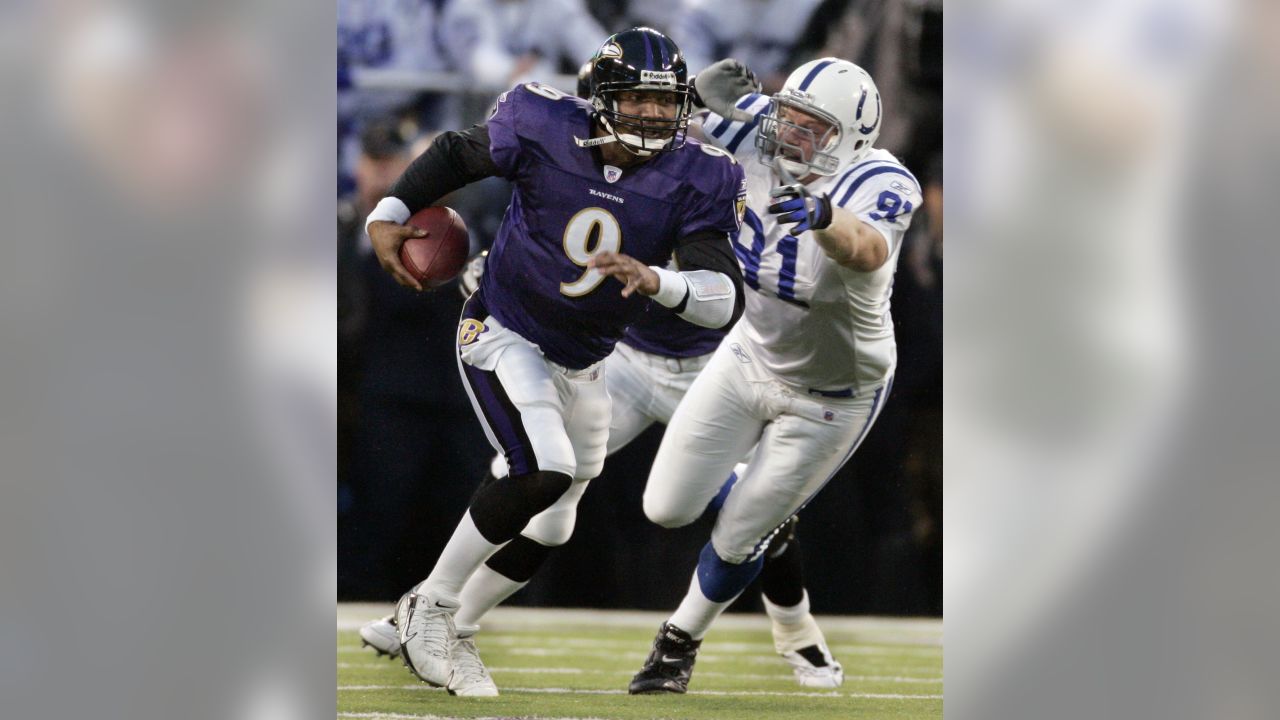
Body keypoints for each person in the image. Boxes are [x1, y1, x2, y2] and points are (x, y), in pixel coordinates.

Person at [357, 61, 846, 689]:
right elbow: (460, 152)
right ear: (600, 101)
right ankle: (436, 610)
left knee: (562, 515)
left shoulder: (713, 169)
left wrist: (655, 279)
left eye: (666, 103)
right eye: (637, 100)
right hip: (542, 338)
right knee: (539, 468)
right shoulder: (546, 123)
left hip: (645, 359)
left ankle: (797, 629)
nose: (651, 116)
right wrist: (391, 212)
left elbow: (724, 298)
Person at [626, 56, 922, 694]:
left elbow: (868, 246)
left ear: (849, 138)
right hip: (748, 355)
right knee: (666, 507)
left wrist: (823, 218)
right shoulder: (764, 132)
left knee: (735, 540)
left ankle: (678, 642)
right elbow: (680, 109)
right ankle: (765, 512)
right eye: (787, 114)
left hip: (832, 397)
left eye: (809, 126)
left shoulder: (879, 180)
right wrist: (692, 89)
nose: (788, 132)